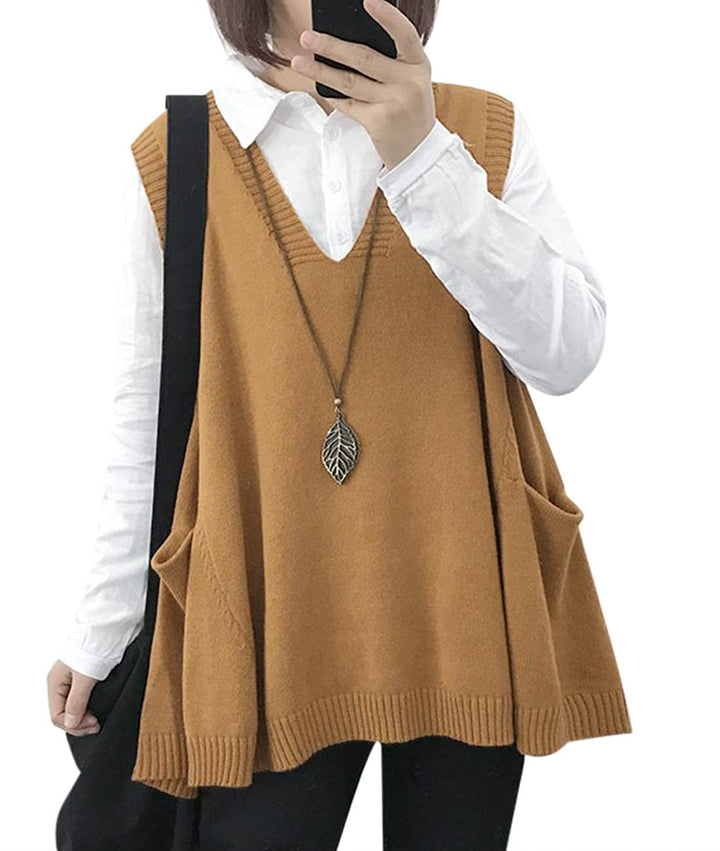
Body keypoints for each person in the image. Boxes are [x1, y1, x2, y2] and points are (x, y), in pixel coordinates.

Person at [47, 0, 630, 848]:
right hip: (269, 608)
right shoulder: (180, 155)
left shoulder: (478, 131)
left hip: (464, 597)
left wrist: (423, 157)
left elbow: (569, 353)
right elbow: (149, 416)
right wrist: (100, 627)